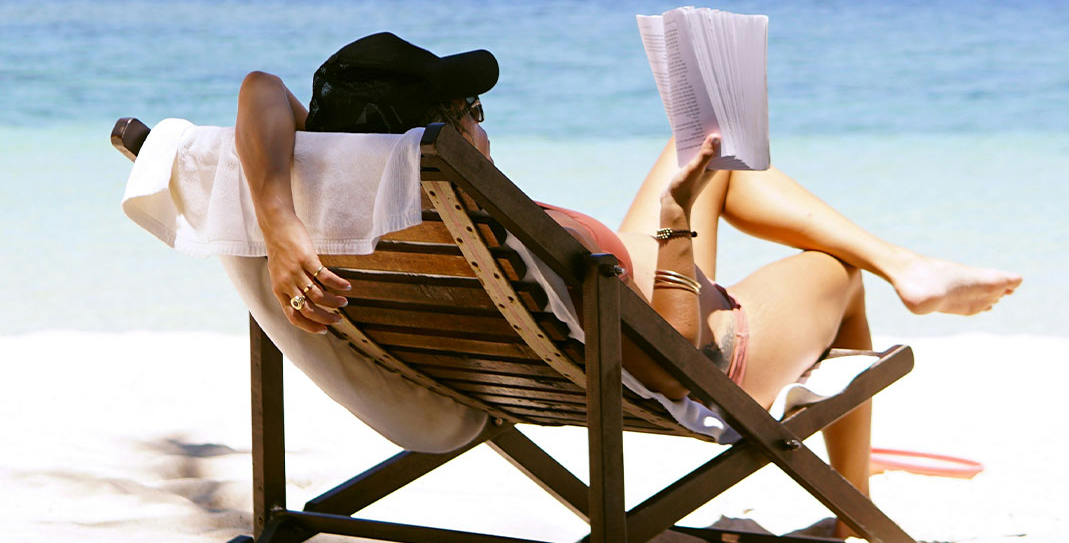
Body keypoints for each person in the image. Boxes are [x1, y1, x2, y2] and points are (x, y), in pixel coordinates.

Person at [235, 33, 1022, 540]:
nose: (483, 124)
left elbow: (261, 87)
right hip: (692, 356)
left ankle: (905, 266)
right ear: (438, 137)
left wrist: (279, 227)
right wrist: (674, 222)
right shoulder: (511, 223)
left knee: (708, 152)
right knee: (838, 275)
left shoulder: (329, 194)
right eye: (471, 109)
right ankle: (852, 505)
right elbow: (675, 366)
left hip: (555, 326)